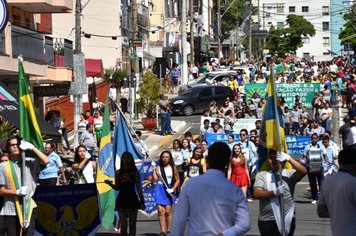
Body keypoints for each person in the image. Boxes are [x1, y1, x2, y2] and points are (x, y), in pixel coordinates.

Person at [171, 142, 251, 235]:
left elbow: (179, 221)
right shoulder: (234, 190)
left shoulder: (190, 184)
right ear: (228, 162)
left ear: (207, 160)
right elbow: (244, 223)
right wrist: (225, 234)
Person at [0, 136, 49, 235]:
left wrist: (32, 147)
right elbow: (1, 191)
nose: (15, 147)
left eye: (18, 144)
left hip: (28, 207)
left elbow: (46, 160)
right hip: (10, 209)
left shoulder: (31, 162)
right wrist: (16, 192)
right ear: (9, 148)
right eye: (12, 145)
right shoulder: (3, 166)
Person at [253, 150, 307, 236]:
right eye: (271, 158)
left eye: (276, 158)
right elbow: (257, 193)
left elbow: (303, 171)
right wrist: (274, 192)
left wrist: (289, 158)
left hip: (287, 218)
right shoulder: (262, 175)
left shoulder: (288, 173)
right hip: (267, 220)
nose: (273, 161)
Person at [317, 148, 356, 236]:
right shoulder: (353, 182)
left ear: (340, 163)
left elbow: (321, 212)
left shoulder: (327, 182)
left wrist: (339, 213)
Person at [105, 152, 145, 236]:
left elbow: (138, 188)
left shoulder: (135, 172)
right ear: (121, 160)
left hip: (132, 199)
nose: (126, 160)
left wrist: (142, 201)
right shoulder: (118, 172)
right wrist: (109, 184)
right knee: (123, 225)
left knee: (132, 224)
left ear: (131, 160)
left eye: (128, 158)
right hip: (122, 199)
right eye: (124, 158)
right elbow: (118, 187)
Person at [152, 151, 180, 236]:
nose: (165, 159)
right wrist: (154, 170)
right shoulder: (158, 167)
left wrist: (173, 189)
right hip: (160, 189)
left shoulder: (173, 168)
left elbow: (178, 180)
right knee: (161, 211)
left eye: (167, 157)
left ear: (170, 158)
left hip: (169, 188)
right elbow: (155, 180)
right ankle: (163, 231)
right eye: (163, 157)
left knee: (168, 211)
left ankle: (169, 230)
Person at [302, 133, 324, 204]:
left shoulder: (321, 146)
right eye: (313, 138)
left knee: (321, 183)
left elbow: (325, 155)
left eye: (315, 138)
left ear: (317, 139)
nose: (314, 139)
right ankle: (315, 198)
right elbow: (304, 157)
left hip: (320, 167)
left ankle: (322, 198)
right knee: (312, 183)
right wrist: (303, 162)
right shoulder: (307, 147)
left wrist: (328, 161)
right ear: (311, 139)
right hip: (310, 167)